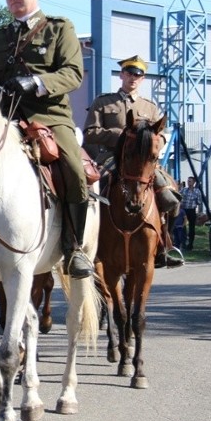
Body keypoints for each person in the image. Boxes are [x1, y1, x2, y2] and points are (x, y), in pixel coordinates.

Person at [0, 0, 93, 278]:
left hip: (49, 118)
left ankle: (74, 248)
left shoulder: (59, 28)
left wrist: (36, 83)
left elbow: (73, 73)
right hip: (5, 119)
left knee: (72, 168)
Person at [83, 54, 183, 268]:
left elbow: (162, 134)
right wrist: (119, 134)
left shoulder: (150, 107)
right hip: (111, 157)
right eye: (129, 73)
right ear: (122, 75)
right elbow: (90, 132)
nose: (133, 78)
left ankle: (166, 244)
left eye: (138, 75)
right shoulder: (104, 102)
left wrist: (158, 140)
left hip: (144, 163)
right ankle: (83, 242)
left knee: (170, 194)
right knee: (92, 192)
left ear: (143, 78)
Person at [181, 176, 203, 251]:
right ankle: (183, 243)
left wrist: (195, 201)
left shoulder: (197, 191)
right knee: (182, 226)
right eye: (188, 181)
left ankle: (190, 244)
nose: (188, 182)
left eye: (190, 181)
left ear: (194, 182)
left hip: (192, 210)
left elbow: (199, 202)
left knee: (191, 228)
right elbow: (179, 197)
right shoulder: (184, 190)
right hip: (184, 210)